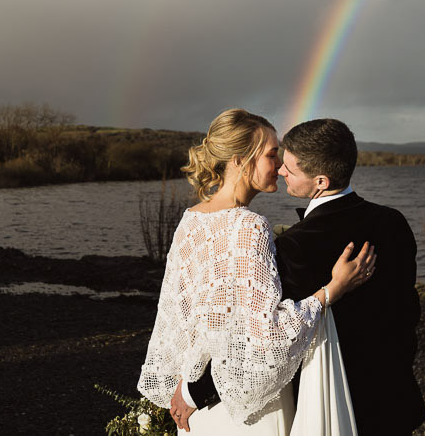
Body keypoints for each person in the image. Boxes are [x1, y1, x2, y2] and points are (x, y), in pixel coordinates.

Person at [178, 118, 425, 434]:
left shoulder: (297, 246)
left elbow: (259, 338)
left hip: (333, 405)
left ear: (321, 181)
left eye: (290, 169)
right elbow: (408, 312)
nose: (280, 171)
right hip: (394, 399)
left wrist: (193, 392)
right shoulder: (393, 222)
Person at [138, 109, 377, 433]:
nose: (280, 167)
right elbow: (268, 336)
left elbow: (183, 320)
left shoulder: (190, 221)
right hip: (247, 409)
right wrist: (332, 290)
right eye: (271, 154)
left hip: (199, 406)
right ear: (240, 160)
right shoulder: (250, 227)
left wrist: (188, 388)